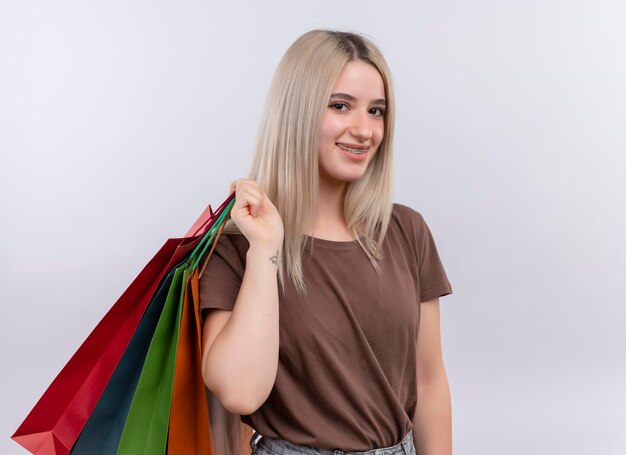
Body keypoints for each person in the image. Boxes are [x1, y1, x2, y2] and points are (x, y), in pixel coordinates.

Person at [199, 29, 453, 455]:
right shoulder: (237, 247)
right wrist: (266, 250)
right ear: (296, 113)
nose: (365, 129)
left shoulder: (407, 231)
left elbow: (429, 383)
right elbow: (240, 394)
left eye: (376, 111)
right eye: (340, 106)